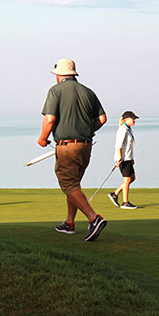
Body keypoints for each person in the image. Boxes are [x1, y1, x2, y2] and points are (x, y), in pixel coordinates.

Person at [38, 58, 108, 241]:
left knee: (68, 185)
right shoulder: (88, 92)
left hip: (67, 146)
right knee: (74, 184)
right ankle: (69, 223)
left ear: (59, 75)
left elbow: (50, 119)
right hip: (86, 146)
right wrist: (84, 131)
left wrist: (42, 138)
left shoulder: (55, 91)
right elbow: (102, 119)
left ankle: (94, 218)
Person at [108, 111, 139, 209]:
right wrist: (119, 158)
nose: (134, 120)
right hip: (123, 159)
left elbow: (129, 146)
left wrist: (132, 158)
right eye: (133, 119)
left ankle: (115, 194)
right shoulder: (123, 130)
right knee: (127, 179)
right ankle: (125, 202)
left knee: (132, 178)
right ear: (127, 119)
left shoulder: (128, 129)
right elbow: (118, 146)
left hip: (128, 158)